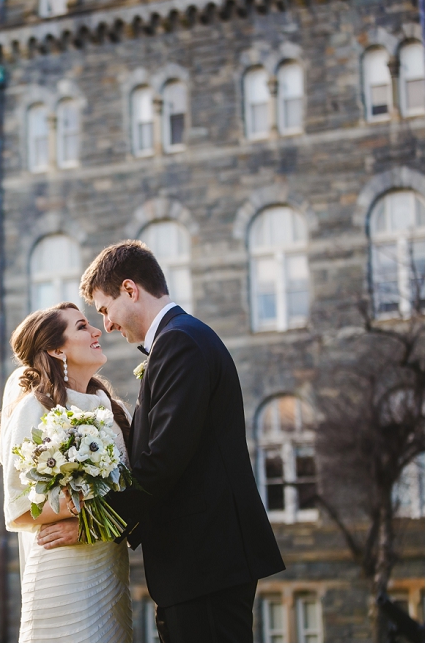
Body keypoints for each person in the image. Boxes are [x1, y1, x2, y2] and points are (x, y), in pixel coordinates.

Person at [40, 240, 285, 642]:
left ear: (131, 290)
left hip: (204, 562)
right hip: (202, 564)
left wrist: (93, 523)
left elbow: (163, 460)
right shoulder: (181, 339)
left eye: (105, 309)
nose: (109, 324)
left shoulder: (179, 343)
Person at [0, 302, 134, 642]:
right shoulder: (35, 408)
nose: (96, 331)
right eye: (81, 327)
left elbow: (133, 491)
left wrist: (93, 524)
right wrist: (83, 510)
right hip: (62, 573)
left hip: (108, 570)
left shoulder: (112, 410)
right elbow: (18, 508)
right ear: (57, 349)